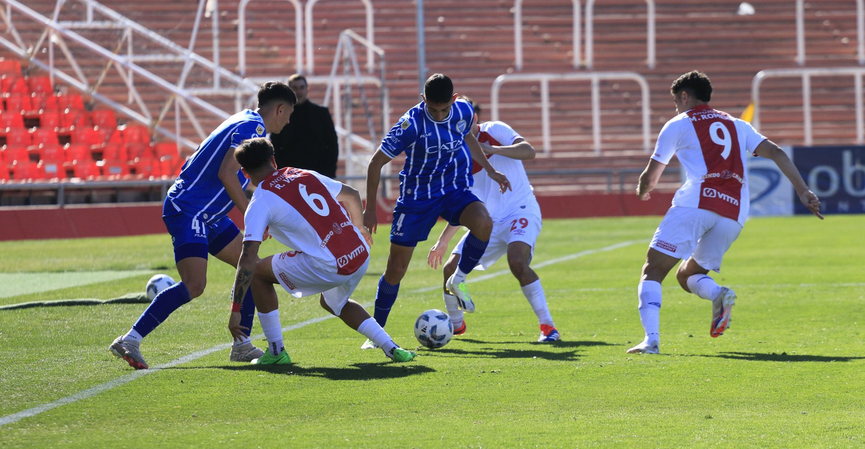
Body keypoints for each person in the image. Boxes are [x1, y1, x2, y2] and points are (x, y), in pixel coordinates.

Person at [627, 71, 823, 355]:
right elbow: (777, 151)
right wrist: (803, 191)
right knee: (687, 276)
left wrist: (643, 189)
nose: (676, 106)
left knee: (653, 270)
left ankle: (651, 341)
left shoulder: (678, 124)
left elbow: (652, 173)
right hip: (734, 213)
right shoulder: (737, 124)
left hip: (695, 204)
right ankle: (719, 294)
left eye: (676, 101)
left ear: (684, 96)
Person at [109, 82, 297, 369]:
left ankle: (242, 346)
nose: (288, 121)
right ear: (281, 109)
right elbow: (226, 172)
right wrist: (250, 215)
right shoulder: (254, 128)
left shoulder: (243, 119)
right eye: (289, 114)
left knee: (252, 268)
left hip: (208, 214)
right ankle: (130, 339)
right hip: (190, 209)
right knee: (195, 284)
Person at [227, 138, 416, 364]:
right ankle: (392, 347)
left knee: (257, 272)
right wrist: (359, 228)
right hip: (360, 252)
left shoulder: (260, 201)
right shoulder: (302, 174)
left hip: (331, 264)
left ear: (245, 174)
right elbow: (352, 194)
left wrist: (236, 308)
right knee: (334, 303)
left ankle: (276, 352)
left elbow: (247, 257)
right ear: (273, 160)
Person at [361, 73, 511, 349]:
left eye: (445, 108)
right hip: (416, 200)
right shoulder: (411, 124)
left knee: (483, 222)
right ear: (423, 100)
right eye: (433, 109)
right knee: (396, 269)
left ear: (454, 100)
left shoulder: (463, 110)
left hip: (453, 190)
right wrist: (370, 209)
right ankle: (377, 332)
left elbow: (467, 137)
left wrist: (491, 171)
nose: (440, 114)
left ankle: (459, 278)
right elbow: (375, 163)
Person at [427, 96, 559, 343]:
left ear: (474, 118)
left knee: (517, 262)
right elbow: (465, 204)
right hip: (488, 222)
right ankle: (456, 326)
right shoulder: (457, 155)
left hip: (520, 210)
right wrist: (442, 241)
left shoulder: (495, 130)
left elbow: (529, 151)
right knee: (449, 269)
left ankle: (548, 327)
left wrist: (490, 149)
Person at [270, 74, 339, 178]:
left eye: (302, 87)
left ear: (307, 89)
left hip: (319, 175)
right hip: (290, 177)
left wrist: (328, 173)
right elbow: (275, 145)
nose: (299, 92)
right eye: (295, 88)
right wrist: (282, 173)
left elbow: (332, 144)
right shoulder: (281, 115)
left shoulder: (321, 114)